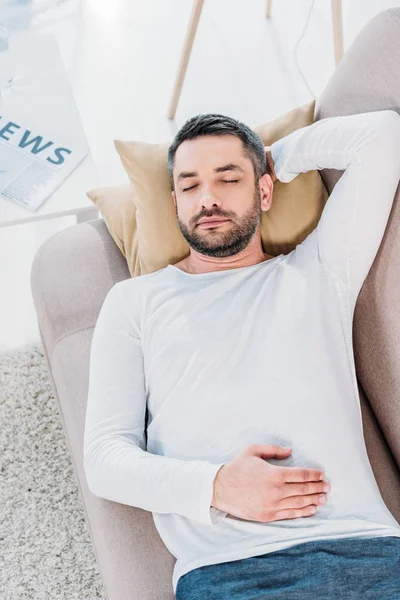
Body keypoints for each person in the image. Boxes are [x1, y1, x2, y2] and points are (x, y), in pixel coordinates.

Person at [83, 110, 400, 599]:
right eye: (189, 187)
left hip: (368, 555)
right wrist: (215, 486)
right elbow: (105, 458)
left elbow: (381, 137)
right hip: (231, 571)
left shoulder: (319, 270)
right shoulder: (135, 302)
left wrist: (277, 154)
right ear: (174, 203)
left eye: (229, 179)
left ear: (265, 191)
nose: (207, 199)